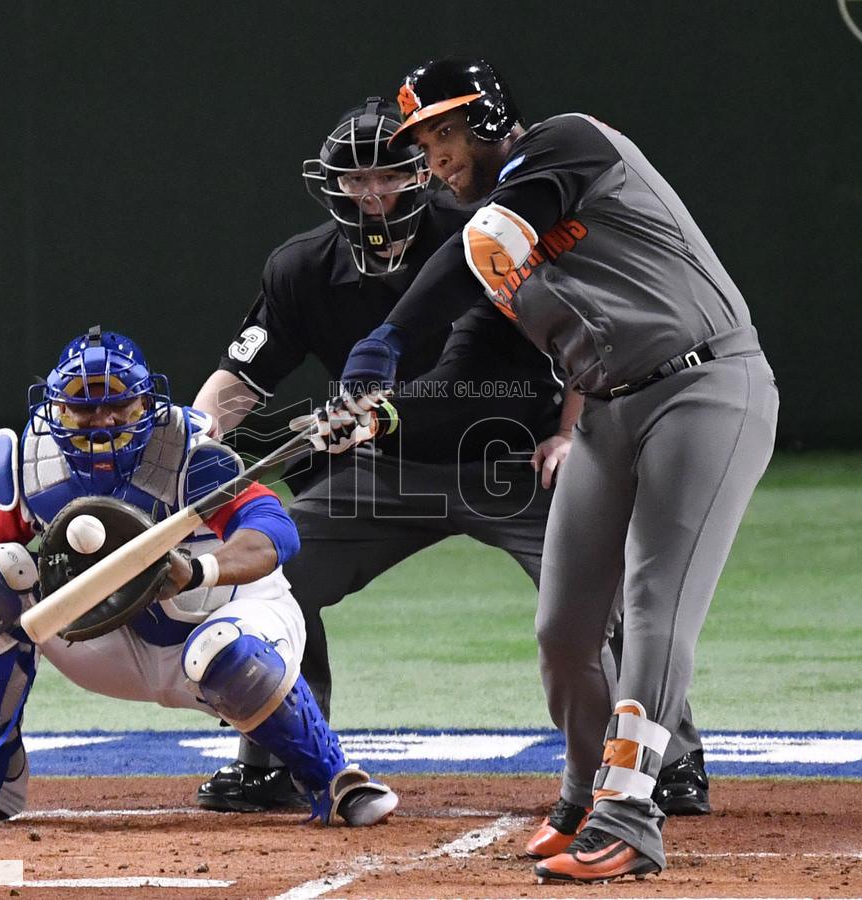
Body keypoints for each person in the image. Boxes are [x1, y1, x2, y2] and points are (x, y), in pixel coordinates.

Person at [192, 97, 710, 826]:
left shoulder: (482, 236)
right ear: (332, 184)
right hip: (388, 469)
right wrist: (191, 442)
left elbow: (577, 339)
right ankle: (277, 756)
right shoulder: (301, 267)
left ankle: (669, 758)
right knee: (268, 565)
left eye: (392, 176)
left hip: (512, 458)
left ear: (423, 173)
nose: (373, 195)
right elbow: (240, 382)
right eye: (356, 179)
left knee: (608, 598)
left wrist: (570, 433)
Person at [333, 60, 778, 883]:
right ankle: (580, 800)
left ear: (490, 115)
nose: (433, 157)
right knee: (566, 628)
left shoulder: (570, 143)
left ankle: (631, 819)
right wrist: (381, 388)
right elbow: (463, 351)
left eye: (443, 131)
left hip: (708, 388)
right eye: (422, 143)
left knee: (653, 607)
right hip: (612, 411)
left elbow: (485, 244)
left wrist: (389, 335)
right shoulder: (495, 240)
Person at [0, 326, 396, 829]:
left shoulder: (191, 456)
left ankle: (331, 780)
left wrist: (199, 570)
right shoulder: (33, 465)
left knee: (218, 648)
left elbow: (276, 534)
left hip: (222, 622)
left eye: (117, 403)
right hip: (109, 640)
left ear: (147, 404)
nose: (102, 421)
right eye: (82, 407)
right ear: (56, 410)